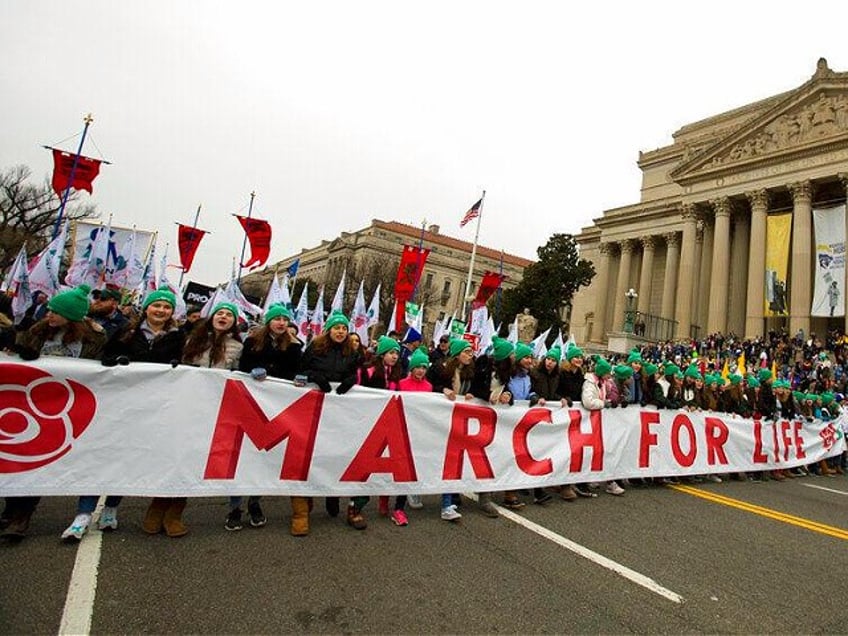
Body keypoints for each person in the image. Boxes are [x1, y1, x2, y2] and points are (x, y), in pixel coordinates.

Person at [3, 284, 106, 542]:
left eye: (55, 311)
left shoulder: (93, 339)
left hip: (69, 406)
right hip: (31, 403)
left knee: (42, 460)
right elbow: (19, 354)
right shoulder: (36, 331)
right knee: (21, 456)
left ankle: (21, 516)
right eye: (49, 309)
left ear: (70, 316)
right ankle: (12, 511)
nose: (49, 314)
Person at [236, 303, 303, 531]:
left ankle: (255, 502)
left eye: (285, 319)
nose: (282, 323)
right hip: (251, 403)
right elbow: (243, 366)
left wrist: (299, 378)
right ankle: (235, 506)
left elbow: (297, 370)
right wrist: (251, 372)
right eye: (277, 319)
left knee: (264, 454)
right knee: (242, 454)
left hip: (276, 406)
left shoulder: (294, 346)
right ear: (269, 321)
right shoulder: (252, 342)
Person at [297, 310, 364, 533]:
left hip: (339, 409)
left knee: (336, 451)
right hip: (315, 407)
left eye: (344, 328)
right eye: (337, 328)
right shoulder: (316, 348)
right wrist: (315, 377)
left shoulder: (351, 352)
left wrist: (350, 380)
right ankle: (306, 500)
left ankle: (332, 491)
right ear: (329, 330)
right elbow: (301, 370)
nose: (341, 331)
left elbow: (355, 372)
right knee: (313, 453)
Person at [182, 302, 247, 532]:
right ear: (212, 317)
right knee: (185, 454)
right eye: (220, 313)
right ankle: (171, 508)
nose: (224, 317)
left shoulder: (237, 347)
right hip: (193, 404)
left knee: (230, 457)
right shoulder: (194, 340)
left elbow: (242, 374)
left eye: (229, 314)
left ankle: (234, 507)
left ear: (234, 322)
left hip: (223, 407)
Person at [427, 338, 498, 517]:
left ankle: (449, 502)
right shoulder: (440, 368)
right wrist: (442, 390)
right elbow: (428, 386)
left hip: (462, 418)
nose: (470, 355)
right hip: (443, 418)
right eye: (466, 352)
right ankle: (419, 492)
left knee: (459, 458)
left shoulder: (471, 371)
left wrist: (473, 394)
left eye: (471, 352)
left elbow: (477, 387)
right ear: (457, 354)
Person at [398, 347, 461, 521]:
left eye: (424, 367)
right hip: (408, 427)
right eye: (418, 367)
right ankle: (412, 491)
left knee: (427, 460)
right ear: (411, 368)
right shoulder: (402, 384)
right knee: (410, 461)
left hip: (425, 429)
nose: (421, 370)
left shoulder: (429, 386)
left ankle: (430, 496)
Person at [361, 336, 410, 526]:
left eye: (397, 353)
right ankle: (357, 504)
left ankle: (390, 502)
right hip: (370, 424)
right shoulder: (368, 371)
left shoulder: (399, 374)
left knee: (395, 466)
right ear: (382, 354)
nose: (395, 356)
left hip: (392, 425)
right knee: (368, 466)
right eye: (391, 352)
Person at [581, 357, 625, 496]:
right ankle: (596, 479)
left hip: (598, 421)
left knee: (604, 451)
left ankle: (606, 480)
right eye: (607, 373)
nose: (610, 375)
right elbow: (588, 402)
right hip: (590, 422)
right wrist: (603, 403)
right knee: (593, 452)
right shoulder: (590, 383)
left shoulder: (602, 383)